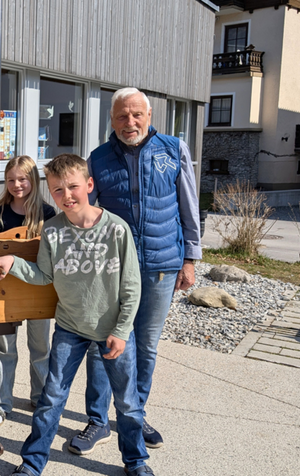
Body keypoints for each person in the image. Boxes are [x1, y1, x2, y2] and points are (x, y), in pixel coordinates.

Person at [0, 154, 160, 476]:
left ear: (89, 185)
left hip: (111, 330)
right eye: (57, 190)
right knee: (52, 398)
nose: (66, 195)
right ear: (50, 193)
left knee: (127, 404)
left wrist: (123, 330)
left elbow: (131, 286)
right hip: (69, 327)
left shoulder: (116, 229)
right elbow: (45, 276)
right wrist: (14, 262)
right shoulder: (52, 230)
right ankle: (32, 462)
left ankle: (136, 461)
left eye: (72, 187)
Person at [68, 87, 201, 455]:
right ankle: (97, 421)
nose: (130, 122)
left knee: (146, 347)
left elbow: (189, 207)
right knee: (102, 346)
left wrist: (190, 258)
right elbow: (85, 214)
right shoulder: (97, 159)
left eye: (136, 115)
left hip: (161, 266)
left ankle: (134, 416)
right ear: (111, 121)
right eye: (122, 116)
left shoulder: (174, 150)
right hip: (112, 270)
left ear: (149, 114)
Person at [0, 155, 56, 426]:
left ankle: (40, 397)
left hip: (38, 288)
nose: (17, 184)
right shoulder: (0, 213)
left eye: (23, 178)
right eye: (11, 179)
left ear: (33, 180)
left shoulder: (47, 214)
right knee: (4, 347)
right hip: (5, 288)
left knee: (40, 346)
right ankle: (2, 401)